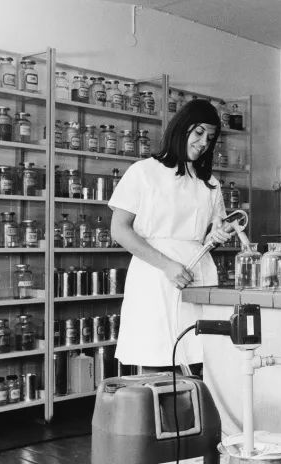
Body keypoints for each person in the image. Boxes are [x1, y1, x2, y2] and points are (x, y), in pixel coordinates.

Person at [109, 99, 231, 370]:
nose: (203, 143)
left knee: (200, 361)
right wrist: (167, 265)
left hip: (198, 275)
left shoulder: (210, 184)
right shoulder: (144, 172)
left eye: (210, 138)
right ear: (181, 127)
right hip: (155, 275)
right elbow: (119, 229)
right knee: (157, 360)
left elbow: (212, 232)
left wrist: (217, 235)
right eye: (199, 132)